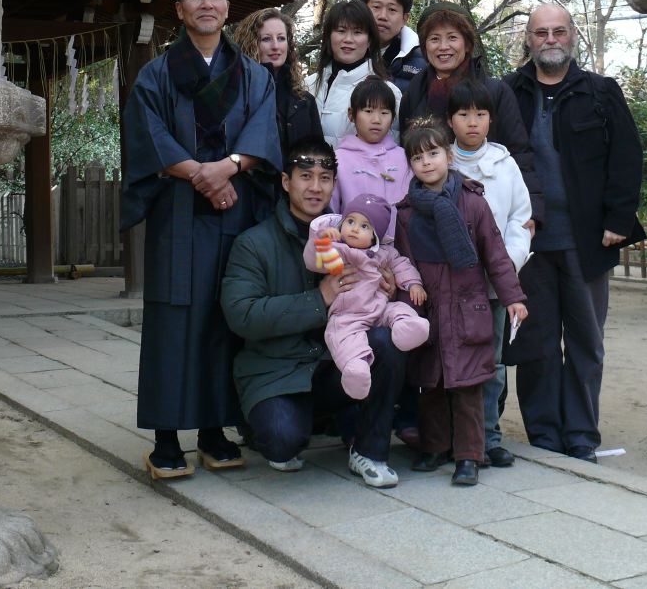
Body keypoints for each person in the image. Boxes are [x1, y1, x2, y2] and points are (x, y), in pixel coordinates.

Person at [121, 0, 282, 480]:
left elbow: (263, 134)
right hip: (178, 213)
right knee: (173, 318)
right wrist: (201, 174)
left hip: (233, 213)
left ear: (228, 8)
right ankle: (167, 438)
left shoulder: (255, 75)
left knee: (224, 317)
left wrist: (228, 167)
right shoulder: (157, 74)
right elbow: (147, 134)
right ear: (180, 8)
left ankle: (215, 430)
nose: (207, 4)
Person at [502, 3, 646, 462]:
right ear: (529, 39)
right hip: (529, 242)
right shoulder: (508, 93)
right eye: (541, 32)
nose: (550, 40)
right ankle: (544, 434)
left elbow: (626, 157)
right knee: (536, 343)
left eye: (558, 31)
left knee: (586, 341)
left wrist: (618, 221)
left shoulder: (600, 92)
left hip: (587, 239)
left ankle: (582, 433)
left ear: (572, 37)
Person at [220, 138, 408, 488]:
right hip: (274, 372)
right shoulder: (254, 243)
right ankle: (264, 423)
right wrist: (319, 297)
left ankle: (369, 450)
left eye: (324, 178)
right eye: (305, 176)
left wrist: (384, 286)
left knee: (387, 340)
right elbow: (241, 315)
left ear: (334, 185)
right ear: (286, 182)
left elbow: (374, 290)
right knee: (282, 440)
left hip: (330, 366)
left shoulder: (353, 240)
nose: (315, 187)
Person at [394, 122, 528, 487]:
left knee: (469, 386)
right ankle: (435, 447)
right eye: (417, 157)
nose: (427, 163)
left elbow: (496, 255)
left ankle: (470, 456)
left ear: (449, 156)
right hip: (430, 309)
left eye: (433, 153)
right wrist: (409, 296)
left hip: (469, 308)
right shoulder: (406, 212)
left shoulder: (473, 202)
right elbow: (403, 261)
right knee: (431, 384)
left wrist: (513, 297)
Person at [446, 81, 533, 469]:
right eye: (464, 114)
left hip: (494, 283)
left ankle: (490, 436)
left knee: (492, 363)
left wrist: (508, 262)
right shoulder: (440, 160)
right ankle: (453, 438)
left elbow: (520, 217)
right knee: (451, 359)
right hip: (449, 283)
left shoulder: (504, 162)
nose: (472, 122)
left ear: (490, 119)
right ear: (450, 120)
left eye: (480, 114)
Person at [397, 2, 535, 198]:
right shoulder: (415, 91)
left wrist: (530, 209)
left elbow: (519, 153)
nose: (443, 47)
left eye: (452, 38)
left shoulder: (494, 91)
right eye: (434, 39)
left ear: (467, 44)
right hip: (427, 200)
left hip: (487, 198)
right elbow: (406, 150)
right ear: (425, 46)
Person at [304, 193, 430, 399]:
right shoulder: (339, 250)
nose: (354, 228)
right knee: (343, 338)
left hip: (378, 307)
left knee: (399, 310)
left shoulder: (384, 252)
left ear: (375, 235)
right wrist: (322, 240)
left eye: (364, 226)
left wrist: (413, 283)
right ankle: (355, 369)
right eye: (350, 221)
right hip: (347, 314)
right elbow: (314, 262)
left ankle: (407, 329)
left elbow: (401, 264)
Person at [305, 0, 402, 147]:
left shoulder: (388, 92)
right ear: (329, 36)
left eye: (357, 32)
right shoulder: (306, 85)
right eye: (341, 31)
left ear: (369, 40)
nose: (348, 39)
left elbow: (390, 152)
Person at [234, 8, 322, 164]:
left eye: (281, 38)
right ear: (251, 43)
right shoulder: (237, 96)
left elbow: (318, 156)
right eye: (266, 39)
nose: (275, 46)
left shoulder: (305, 101)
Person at [330, 77, 411, 226]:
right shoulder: (338, 160)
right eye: (368, 111)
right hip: (353, 246)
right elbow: (332, 214)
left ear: (393, 117)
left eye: (384, 113)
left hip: (403, 245)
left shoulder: (404, 157)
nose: (376, 120)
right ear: (351, 114)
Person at [360, 0, 426, 93]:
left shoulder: (423, 59)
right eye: (376, 7)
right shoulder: (344, 49)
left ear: (404, 19)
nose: (383, 16)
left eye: (392, 10)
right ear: (362, 10)